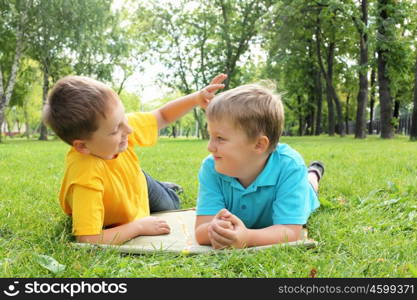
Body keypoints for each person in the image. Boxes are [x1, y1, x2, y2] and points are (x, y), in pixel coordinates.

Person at [43, 73, 227, 245]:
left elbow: (161, 116)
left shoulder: (118, 126)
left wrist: (196, 98)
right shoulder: (85, 178)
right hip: (117, 192)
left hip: (135, 179)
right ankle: (163, 186)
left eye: (124, 118)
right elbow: (88, 239)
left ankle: (165, 186)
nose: (129, 130)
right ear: (82, 146)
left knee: (171, 203)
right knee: (165, 208)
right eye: (115, 130)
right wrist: (138, 227)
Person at [194, 83, 325, 249]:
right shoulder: (211, 167)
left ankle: (314, 172)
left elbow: (290, 232)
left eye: (220, 138)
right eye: (210, 136)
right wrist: (216, 230)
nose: (210, 147)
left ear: (258, 145)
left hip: (302, 189)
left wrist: (247, 237)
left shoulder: (290, 167)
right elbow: (201, 230)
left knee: (309, 186)